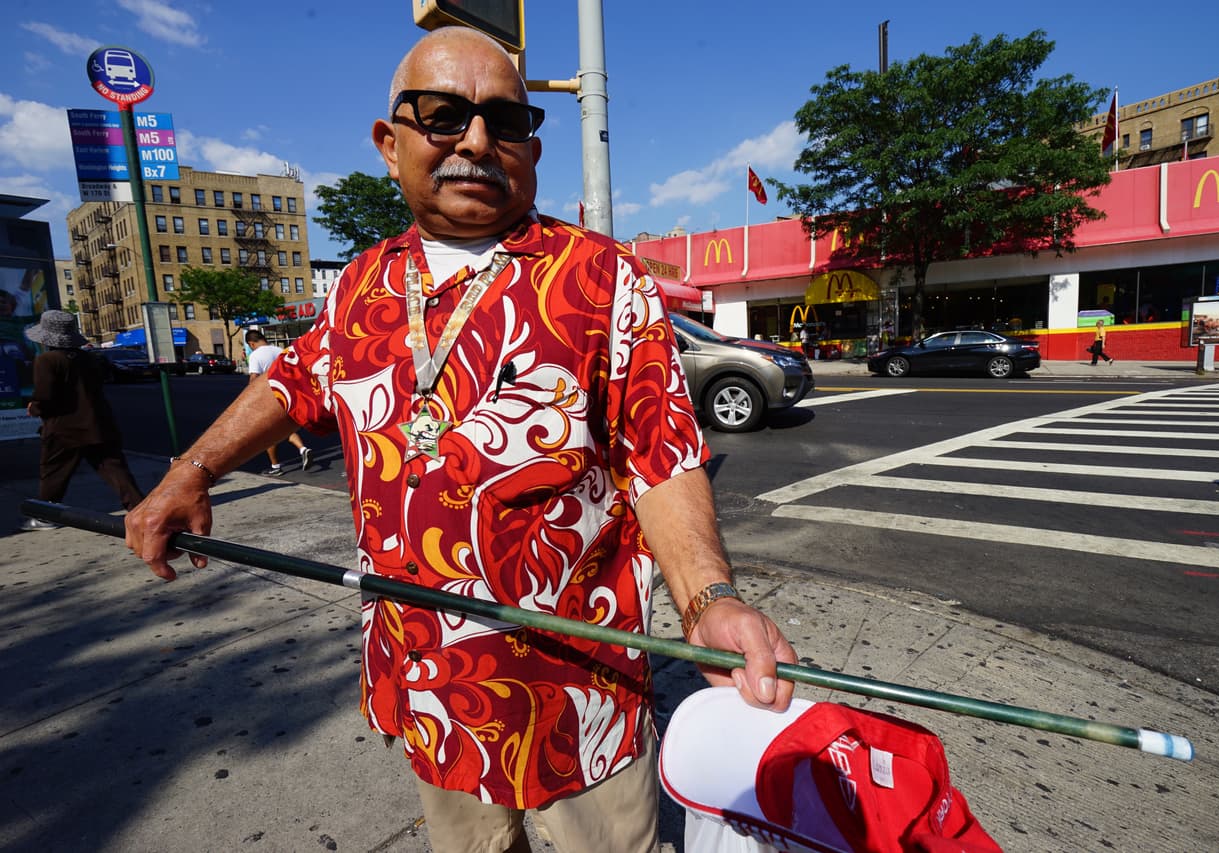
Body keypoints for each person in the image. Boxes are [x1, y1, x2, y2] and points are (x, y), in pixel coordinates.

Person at [125, 27, 795, 853]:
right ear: (389, 140)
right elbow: (293, 381)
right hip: (428, 690)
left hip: (575, 698)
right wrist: (192, 469)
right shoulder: (362, 283)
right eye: (443, 115)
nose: (476, 140)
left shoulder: (600, 278)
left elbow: (660, 455)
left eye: (505, 121)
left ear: (531, 146)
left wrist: (707, 599)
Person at [21, 310, 145, 530]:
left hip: (64, 427)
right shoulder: (90, 358)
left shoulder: (46, 360)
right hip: (99, 423)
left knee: (54, 472)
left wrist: (35, 407)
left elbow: (45, 395)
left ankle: (46, 515)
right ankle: (142, 512)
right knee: (115, 470)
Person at [243, 329, 312, 475]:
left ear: (251, 344)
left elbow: (254, 378)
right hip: (287, 393)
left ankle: (276, 467)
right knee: (285, 428)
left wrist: (248, 397)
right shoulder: (280, 350)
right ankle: (302, 449)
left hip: (269, 396)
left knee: (269, 432)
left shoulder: (255, 355)